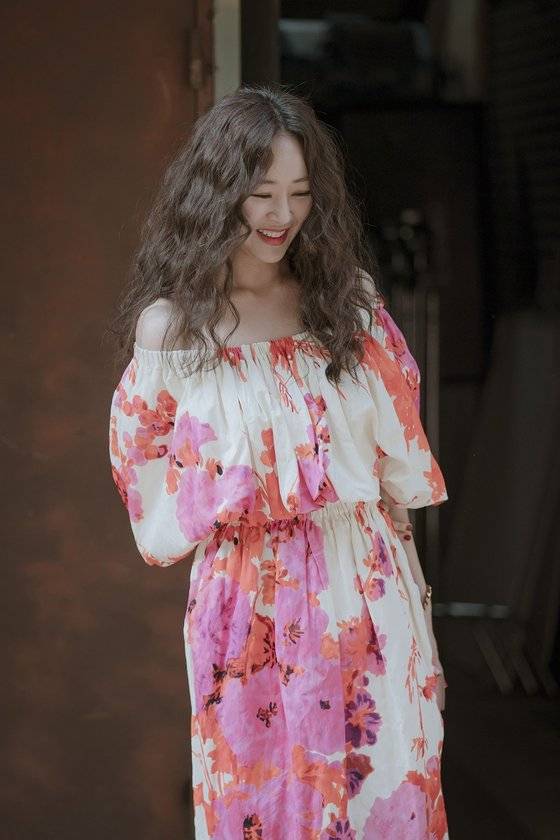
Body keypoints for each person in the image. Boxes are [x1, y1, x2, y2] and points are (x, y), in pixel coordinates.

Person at [108, 84, 450, 839]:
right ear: (216, 193)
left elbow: (395, 475)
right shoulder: (173, 332)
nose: (281, 214)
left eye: (299, 193)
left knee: (384, 799)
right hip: (246, 605)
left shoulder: (348, 308)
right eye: (261, 194)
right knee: (263, 808)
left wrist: (409, 601)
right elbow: (147, 477)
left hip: (367, 584)